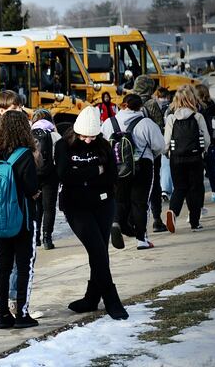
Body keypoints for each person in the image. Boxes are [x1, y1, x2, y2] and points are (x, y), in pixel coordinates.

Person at [56, 106, 129, 320]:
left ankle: (91, 297)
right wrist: (94, 171)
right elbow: (64, 175)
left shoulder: (103, 145)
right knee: (97, 249)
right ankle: (111, 299)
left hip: (103, 204)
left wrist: (82, 175)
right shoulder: (63, 146)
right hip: (76, 207)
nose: (88, 140)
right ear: (76, 132)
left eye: (92, 136)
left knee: (99, 251)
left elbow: (112, 176)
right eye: (84, 136)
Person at [0, 110, 40, 330]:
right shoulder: (24, 154)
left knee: (2, 267)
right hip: (22, 218)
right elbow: (31, 187)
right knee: (24, 266)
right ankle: (22, 313)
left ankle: (2, 313)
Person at [101, 94, 165, 250]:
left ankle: (116, 222)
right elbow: (160, 146)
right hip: (142, 166)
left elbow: (102, 143)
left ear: (123, 105)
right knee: (140, 202)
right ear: (140, 107)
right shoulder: (146, 123)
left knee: (120, 199)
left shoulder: (110, 122)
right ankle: (142, 239)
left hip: (118, 166)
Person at [164, 85, 210, 232]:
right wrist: (203, 151)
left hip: (176, 158)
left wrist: (168, 153)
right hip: (195, 157)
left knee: (179, 187)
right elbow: (207, 139)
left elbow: (166, 142)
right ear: (192, 99)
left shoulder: (171, 118)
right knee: (195, 189)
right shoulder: (198, 117)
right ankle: (195, 223)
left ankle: (173, 211)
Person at [132, 75, 169, 233]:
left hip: (131, 151)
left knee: (134, 186)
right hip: (150, 152)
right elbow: (159, 129)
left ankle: (133, 220)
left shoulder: (129, 101)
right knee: (154, 186)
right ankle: (156, 219)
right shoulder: (151, 104)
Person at [30, 109, 62, 250]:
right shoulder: (54, 135)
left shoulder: (28, 134)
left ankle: (35, 238)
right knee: (49, 208)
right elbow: (60, 157)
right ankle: (47, 238)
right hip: (51, 175)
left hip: (33, 175)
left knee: (36, 207)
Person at [194, 84, 215, 202]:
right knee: (212, 168)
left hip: (198, 143)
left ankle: (198, 197)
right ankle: (214, 192)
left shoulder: (195, 109)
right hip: (213, 142)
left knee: (198, 170)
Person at [157, 88, 173, 200]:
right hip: (169, 140)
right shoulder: (171, 109)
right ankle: (167, 188)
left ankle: (164, 188)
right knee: (168, 165)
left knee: (164, 165)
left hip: (161, 139)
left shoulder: (155, 107)